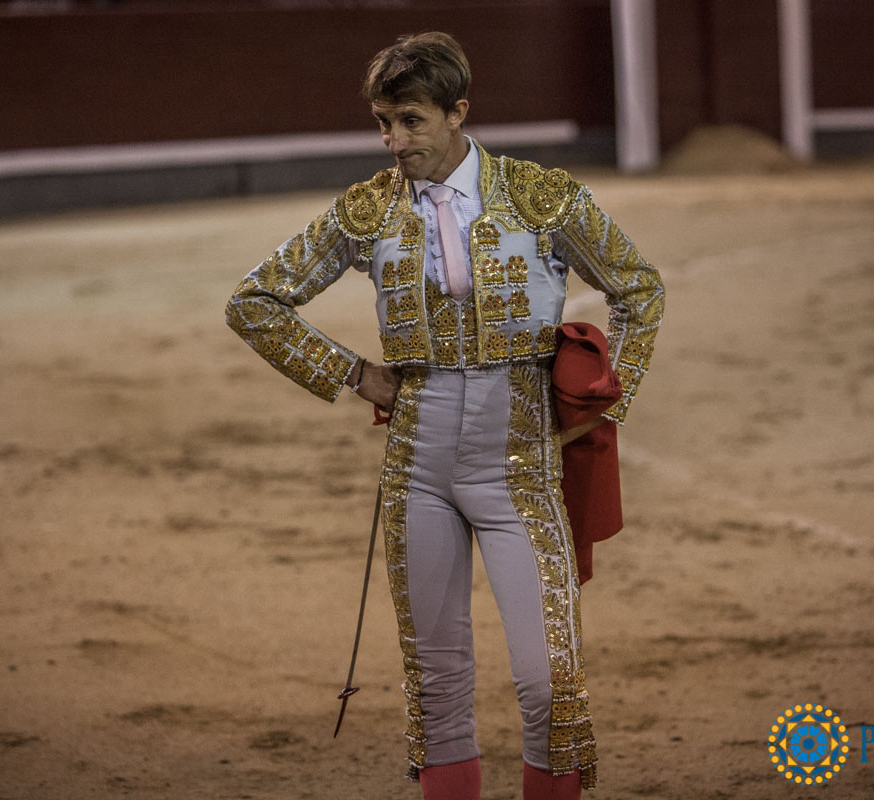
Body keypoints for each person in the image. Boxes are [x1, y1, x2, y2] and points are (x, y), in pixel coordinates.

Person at [225, 31, 663, 800]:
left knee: (550, 683)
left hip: (519, 468)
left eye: (411, 121)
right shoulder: (368, 210)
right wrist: (355, 373)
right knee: (437, 687)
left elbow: (639, 288)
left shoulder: (537, 196)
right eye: (383, 123)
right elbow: (252, 301)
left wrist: (603, 405)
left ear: (458, 112)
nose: (394, 142)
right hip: (418, 470)